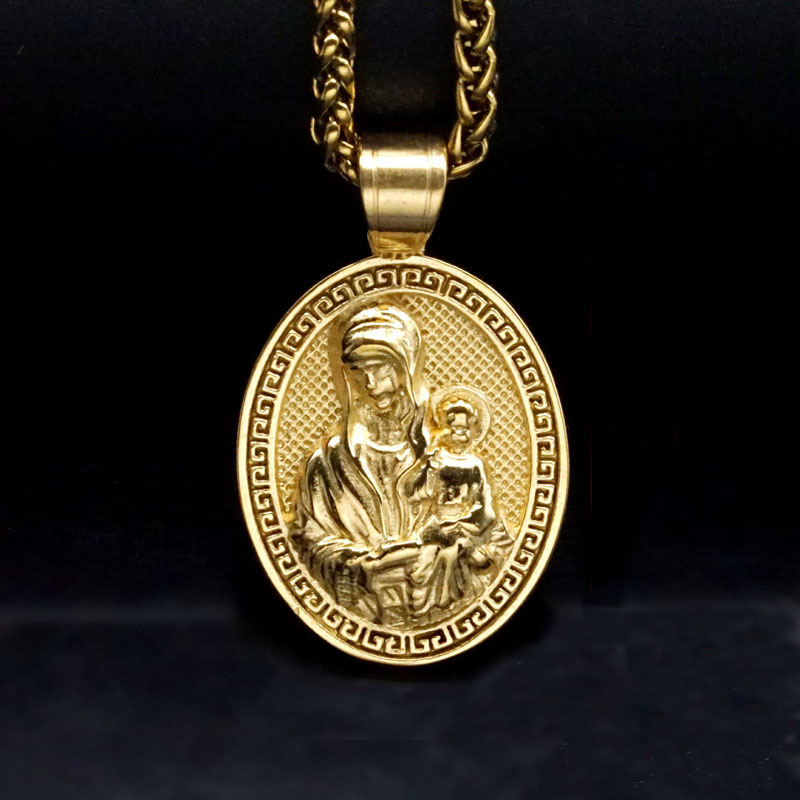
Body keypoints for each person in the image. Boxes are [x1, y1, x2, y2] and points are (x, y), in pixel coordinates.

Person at [290, 303, 431, 623]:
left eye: (381, 368)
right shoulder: (328, 465)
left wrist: (435, 557)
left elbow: (485, 537)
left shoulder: (442, 457)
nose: (370, 383)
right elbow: (305, 541)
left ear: (407, 367)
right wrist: (361, 567)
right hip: (363, 610)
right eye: (357, 371)